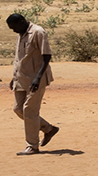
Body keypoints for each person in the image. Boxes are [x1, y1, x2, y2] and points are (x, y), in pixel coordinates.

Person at [6, 12, 59, 153]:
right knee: (18, 109)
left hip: (36, 79)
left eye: (14, 27)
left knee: (29, 110)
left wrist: (38, 77)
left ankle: (32, 146)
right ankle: (48, 128)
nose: (13, 30)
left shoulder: (38, 32)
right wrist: (14, 77)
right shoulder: (21, 34)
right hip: (22, 78)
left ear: (22, 21)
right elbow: (21, 58)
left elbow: (46, 56)